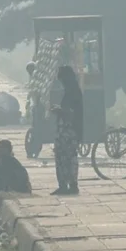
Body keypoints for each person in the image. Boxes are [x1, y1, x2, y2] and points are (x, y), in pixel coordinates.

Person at [52, 65, 84, 193]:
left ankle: (65, 185)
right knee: (69, 158)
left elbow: (71, 113)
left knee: (64, 158)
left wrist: (59, 111)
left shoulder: (72, 92)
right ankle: (70, 184)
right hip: (71, 129)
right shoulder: (73, 90)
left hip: (68, 130)